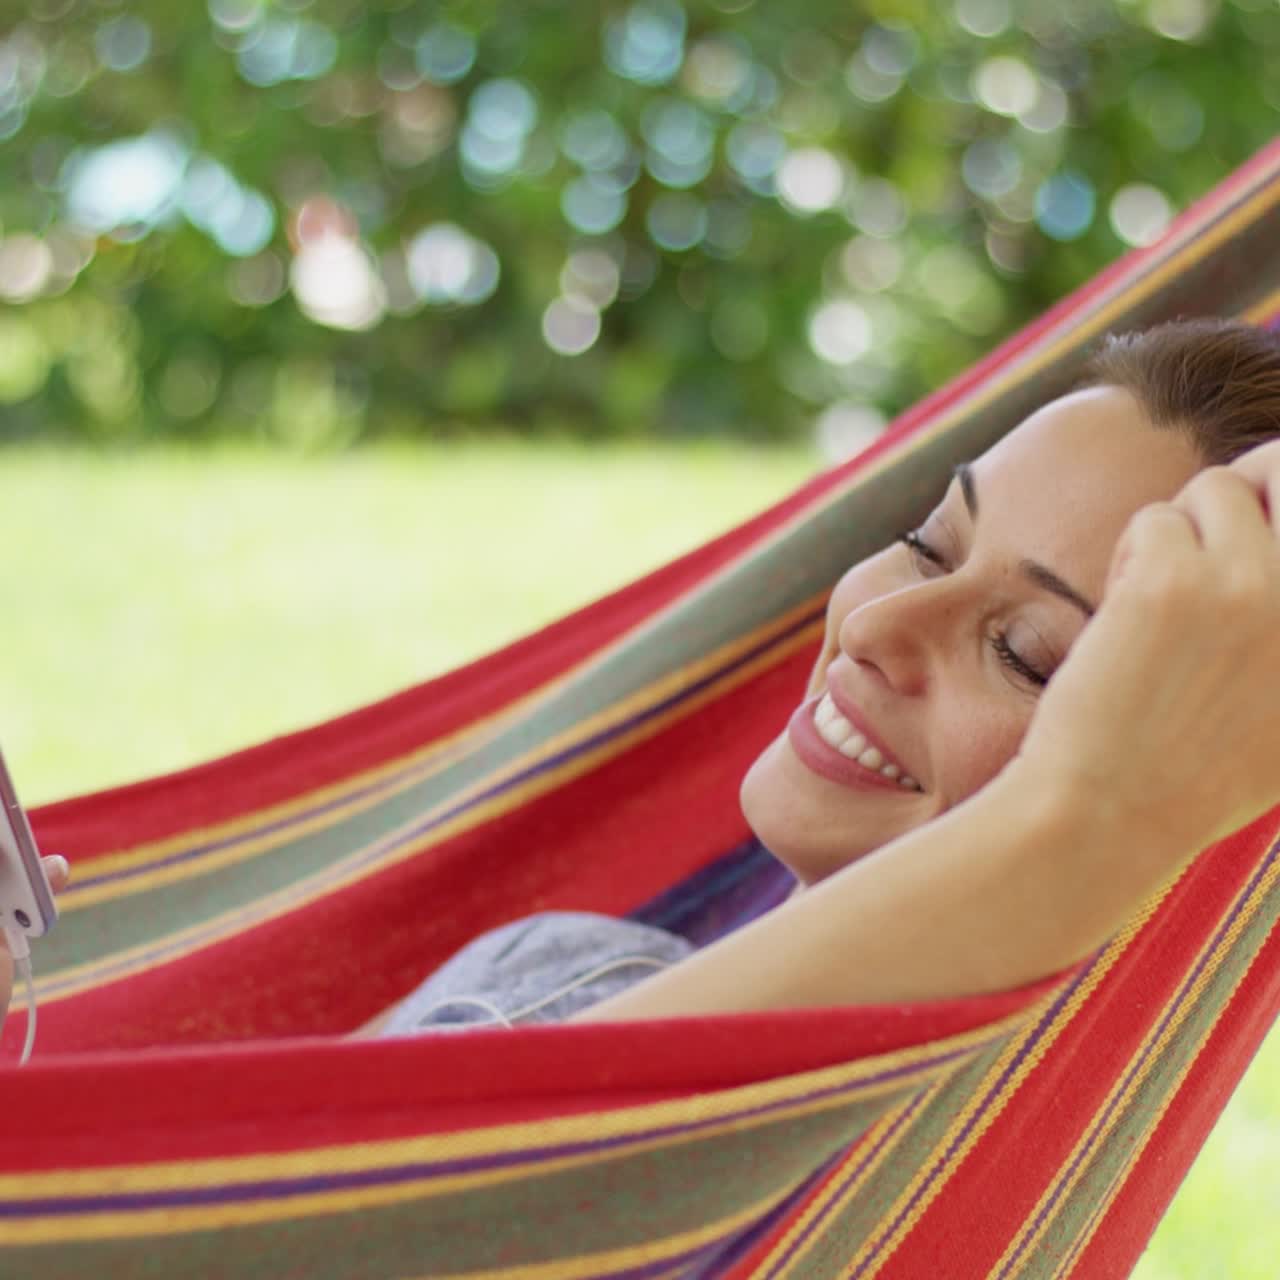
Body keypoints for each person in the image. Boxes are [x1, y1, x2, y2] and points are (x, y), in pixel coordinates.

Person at [5, 319, 1280, 1040]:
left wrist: (1091, 813)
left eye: (1027, 654)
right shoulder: (569, 966)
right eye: (926, 540)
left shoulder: (651, 1105)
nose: (884, 623)